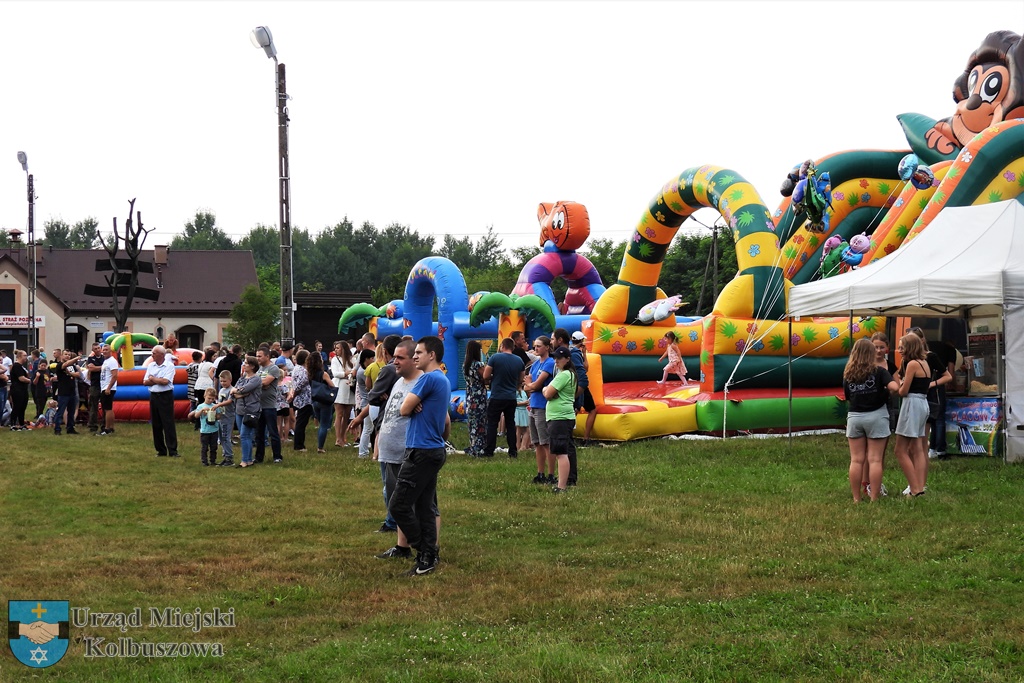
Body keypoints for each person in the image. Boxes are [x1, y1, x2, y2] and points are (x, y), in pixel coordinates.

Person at [390, 336, 451, 576]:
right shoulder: (443, 379)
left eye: (419, 352)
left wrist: (410, 403)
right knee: (424, 507)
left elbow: (403, 409)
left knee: (399, 505)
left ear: (432, 355)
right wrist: (411, 404)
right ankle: (428, 558)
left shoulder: (427, 378)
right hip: (432, 450)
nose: (415, 356)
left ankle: (424, 551)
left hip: (422, 451)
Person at [373, 339, 442, 551]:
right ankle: (402, 546)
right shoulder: (398, 381)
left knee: (424, 505)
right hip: (390, 452)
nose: (394, 361)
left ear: (415, 359)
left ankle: (429, 548)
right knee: (399, 503)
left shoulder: (424, 382)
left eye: (400, 358)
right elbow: (389, 415)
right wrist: (378, 443)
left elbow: (443, 420)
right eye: (394, 357)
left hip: (411, 454)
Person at [843, 338, 898, 503]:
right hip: (876, 416)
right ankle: (874, 497)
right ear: (870, 353)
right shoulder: (879, 371)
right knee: (875, 459)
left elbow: (847, 396)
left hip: (855, 417)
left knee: (856, 459)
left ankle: (856, 498)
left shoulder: (848, 373)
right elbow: (895, 387)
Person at [894, 334, 930, 497]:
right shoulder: (924, 363)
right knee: (917, 448)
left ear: (911, 347)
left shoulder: (912, 364)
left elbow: (903, 391)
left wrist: (897, 386)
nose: (900, 350)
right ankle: (920, 486)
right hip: (923, 403)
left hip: (912, 405)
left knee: (900, 450)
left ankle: (914, 489)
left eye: (902, 347)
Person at [481, 337, 525, 458]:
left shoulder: (495, 357)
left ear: (502, 346)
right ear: (513, 347)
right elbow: (521, 379)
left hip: (497, 396)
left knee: (492, 424)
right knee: (511, 424)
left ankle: (489, 451)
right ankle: (513, 451)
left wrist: (494, 377)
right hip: (511, 397)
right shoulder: (519, 360)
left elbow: (485, 375)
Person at [543, 346, 578, 493]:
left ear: (568, 359)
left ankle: (561, 486)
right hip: (565, 416)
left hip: (559, 418)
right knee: (563, 451)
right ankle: (564, 481)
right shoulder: (570, 374)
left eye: (559, 358)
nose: (556, 360)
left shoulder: (564, 375)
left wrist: (546, 389)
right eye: (555, 357)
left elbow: (547, 393)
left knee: (560, 453)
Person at [525, 336, 556, 484]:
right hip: (533, 404)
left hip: (543, 406)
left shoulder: (549, 363)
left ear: (547, 347)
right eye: (535, 346)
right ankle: (540, 473)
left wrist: (531, 385)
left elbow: (536, 385)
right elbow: (526, 385)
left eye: (539, 346)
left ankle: (551, 474)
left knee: (545, 442)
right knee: (536, 442)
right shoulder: (535, 364)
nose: (536, 349)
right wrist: (530, 385)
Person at [143, 345, 179, 457]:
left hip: (165, 396)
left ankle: (172, 450)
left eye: (154, 353)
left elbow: (165, 381)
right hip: (154, 395)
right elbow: (145, 382)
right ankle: (160, 450)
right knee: (156, 424)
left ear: (161, 355)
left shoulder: (169, 366)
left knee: (168, 423)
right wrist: (157, 380)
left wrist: (153, 379)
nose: (152, 355)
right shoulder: (151, 365)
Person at [231, 356, 263, 468]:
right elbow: (233, 391)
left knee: (244, 435)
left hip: (251, 410)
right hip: (239, 410)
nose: (243, 365)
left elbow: (245, 389)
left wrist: (240, 392)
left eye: (246, 363)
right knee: (246, 435)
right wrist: (241, 393)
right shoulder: (242, 378)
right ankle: (249, 459)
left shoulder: (256, 379)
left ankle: (244, 461)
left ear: (253, 366)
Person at [254, 346, 284, 464]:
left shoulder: (273, 368)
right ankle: (259, 457)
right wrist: (260, 383)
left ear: (267, 356)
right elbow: (255, 382)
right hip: (258, 405)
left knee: (273, 432)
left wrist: (259, 383)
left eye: (260, 356)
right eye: (257, 356)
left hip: (269, 406)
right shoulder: (258, 369)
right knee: (259, 433)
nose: (258, 358)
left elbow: (265, 382)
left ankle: (277, 456)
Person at [304, 349, 335, 453]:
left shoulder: (309, 374)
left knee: (320, 422)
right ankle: (320, 447)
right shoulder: (323, 374)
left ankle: (319, 443)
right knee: (324, 425)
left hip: (314, 400)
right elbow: (332, 385)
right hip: (324, 400)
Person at [571, 331, 599, 448]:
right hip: (580, 385)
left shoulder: (569, 350)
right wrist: (585, 354)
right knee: (589, 409)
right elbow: (585, 368)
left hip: (573, 383)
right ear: (582, 341)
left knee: (575, 409)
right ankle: (585, 438)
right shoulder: (577, 353)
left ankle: (572, 437)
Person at [462, 340, 489, 457]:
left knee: (472, 422)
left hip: (470, 395)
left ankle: (473, 446)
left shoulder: (465, 365)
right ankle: (480, 447)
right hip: (479, 397)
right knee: (480, 422)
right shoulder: (478, 364)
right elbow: (485, 377)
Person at [331, 340, 356, 447]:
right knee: (339, 414)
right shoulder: (334, 360)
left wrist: (350, 374)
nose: (336, 350)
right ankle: (338, 439)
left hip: (349, 387)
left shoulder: (352, 359)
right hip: (339, 387)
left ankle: (343, 437)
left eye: (338, 348)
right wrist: (346, 373)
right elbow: (335, 373)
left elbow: (355, 370)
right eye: (335, 348)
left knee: (347, 414)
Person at [287, 348, 312, 452]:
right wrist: (294, 394)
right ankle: (299, 445)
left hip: (300, 399)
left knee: (301, 422)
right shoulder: (303, 371)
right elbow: (299, 385)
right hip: (304, 400)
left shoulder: (296, 368)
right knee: (301, 423)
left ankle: (299, 444)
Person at [189, 388, 222, 466]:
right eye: (209, 398)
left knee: (214, 447)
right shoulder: (201, 406)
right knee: (205, 447)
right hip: (204, 430)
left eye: (212, 399)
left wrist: (215, 414)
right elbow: (196, 416)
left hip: (214, 429)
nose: (210, 400)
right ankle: (204, 461)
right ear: (205, 396)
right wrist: (202, 411)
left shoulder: (215, 406)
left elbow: (219, 416)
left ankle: (213, 461)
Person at [53, 350, 82, 435]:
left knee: (71, 411)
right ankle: (57, 429)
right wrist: (76, 358)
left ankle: (70, 428)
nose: (67, 356)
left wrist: (69, 373)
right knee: (60, 411)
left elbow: (78, 375)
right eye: (65, 354)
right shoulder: (59, 365)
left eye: (69, 355)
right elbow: (65, 365)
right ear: (61, 356)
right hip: (63, 392)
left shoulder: (72, 366)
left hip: (72, 392)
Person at [210, 370, 235, 466]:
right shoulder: (221, 390)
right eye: (221, 381)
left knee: (225, 437)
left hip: (228, 417)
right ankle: (225, 456)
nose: (223, 383)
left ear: (230, 380)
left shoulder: (232, 390)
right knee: (221, 438)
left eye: (225, 381)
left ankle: (229, 458)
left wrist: (218, 405)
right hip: (221, 417)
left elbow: (229, 401)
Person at [353, 349, 375, 457]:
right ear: (366, 359)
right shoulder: (363, 372)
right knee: (367, 429)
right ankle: (362, 452)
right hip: (366, 402)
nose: (373, 360)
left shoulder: (363, 370)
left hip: (365, 401)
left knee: (368, 428)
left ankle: (364, 451)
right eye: (372, 358)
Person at [97, 343, 119, 435]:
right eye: (104, 350)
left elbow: (115, 376)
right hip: (104, 386)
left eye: (107, 350)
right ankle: (111, 427)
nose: (105, 351)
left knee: (107, 409)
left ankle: (107, 429)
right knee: (108, 408)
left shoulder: (112, 361)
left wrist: (109, 388)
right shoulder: (105, 361)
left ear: (111, 351)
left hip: (108, 387)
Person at [8, 349, 31, 430]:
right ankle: (13, 425)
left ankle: (22, 425)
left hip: (23, 389)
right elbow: (21, 378)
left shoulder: (21, 367)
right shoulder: (16, 366)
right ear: (19, 356)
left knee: (22, 407)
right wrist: (29, 380)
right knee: (17, 407)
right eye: (24, 355)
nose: (26, 357)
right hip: (17, 390)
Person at [84, 342, 104, 432]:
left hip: (104, 384)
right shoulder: (91, 358)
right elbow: (91, 368)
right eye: (95, 349)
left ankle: (104, 425)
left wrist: (97, 367)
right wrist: (103, 367)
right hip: (94, 385)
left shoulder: (105, 358)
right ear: (93, 350)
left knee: (105, 406)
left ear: (101, 348)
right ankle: (92, 425)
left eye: (98, 348)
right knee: (93, 406)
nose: (97, 350)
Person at [515, 376, 531, 454]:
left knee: (525, 429)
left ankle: (523, 445)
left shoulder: (524, 391)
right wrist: (523, 403)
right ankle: (520, 446)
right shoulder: (516, 392)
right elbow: (514, 403)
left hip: (524, 411)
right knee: (521, 429)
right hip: (518, 411)